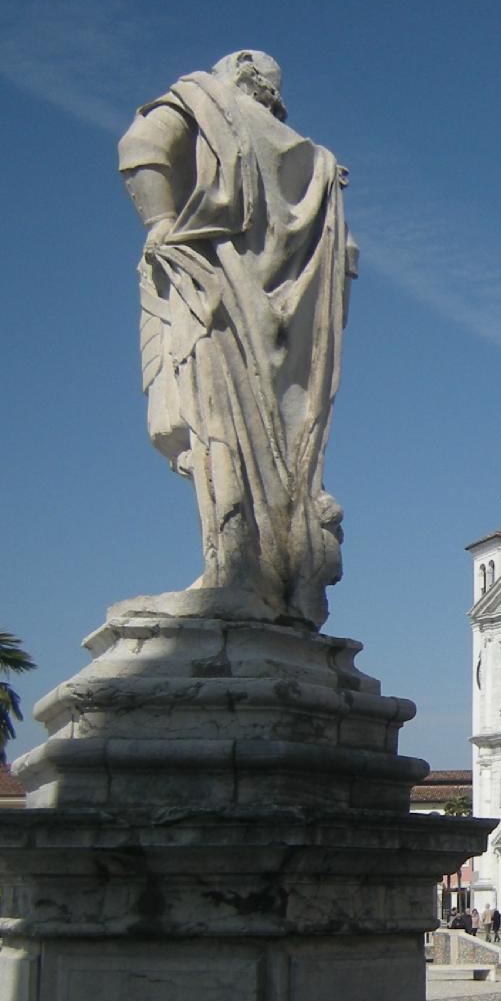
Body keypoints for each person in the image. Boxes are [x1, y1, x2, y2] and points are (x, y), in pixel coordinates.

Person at [118, 50, 358, 628]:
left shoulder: (207, 100)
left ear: (237, 76)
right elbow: (345, 264)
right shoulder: (319, 165)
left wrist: (160, 226)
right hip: (292, 340)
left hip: (216, 298)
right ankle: (271, 579)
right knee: (282, 456)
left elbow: (141, 148)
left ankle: (232, 574)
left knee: (219, 430)